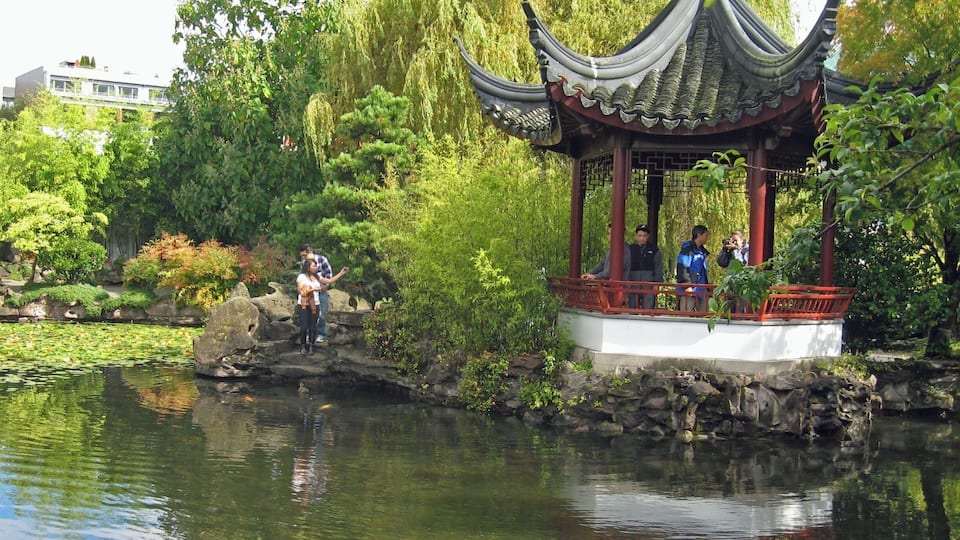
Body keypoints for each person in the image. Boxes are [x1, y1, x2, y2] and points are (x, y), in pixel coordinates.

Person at [296, 258, 349, 354]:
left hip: (315, 304)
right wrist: (316, 289)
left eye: (316, 265)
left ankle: (312, 346)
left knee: (313, 327)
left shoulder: (317, 277)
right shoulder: (301, 277)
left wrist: (341, 273)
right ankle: (303, 346)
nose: (316, 267)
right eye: (313, 266)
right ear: (308, 267)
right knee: (304, 326)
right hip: (304, 304)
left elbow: (330, 280)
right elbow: (301, 290)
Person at [299, 244, 335, 344]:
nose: (303, 258)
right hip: (309, 293)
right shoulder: (304, 263)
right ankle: (308, 335)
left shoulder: (322, 259)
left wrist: (324, 285)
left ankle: (321, 334)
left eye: (304, 255)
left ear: (310, 252)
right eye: (302, 256)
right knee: (309, 314)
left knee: (322, 313)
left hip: (321, 291)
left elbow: (328, 274)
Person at [628, 224, 663, 309]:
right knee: (632, 308)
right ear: (636, 236)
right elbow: (626, 266)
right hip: (633, 282)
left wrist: (657, 283)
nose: (642, 238)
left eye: (644, 236)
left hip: (648, 283)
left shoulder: (654, 250)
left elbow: (658, 267)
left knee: (648, 309)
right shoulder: (630, 249)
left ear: (648, 236)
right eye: (639, 236)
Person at [676, 224, 710, 312]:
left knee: (703, 314)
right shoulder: (688, 250)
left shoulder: (703, 252)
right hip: (690, 286)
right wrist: (687, 285)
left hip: (702, 288)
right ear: (699, 235)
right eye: (706, 235)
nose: (707, 238)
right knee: (686, 313)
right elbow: (682, 267)